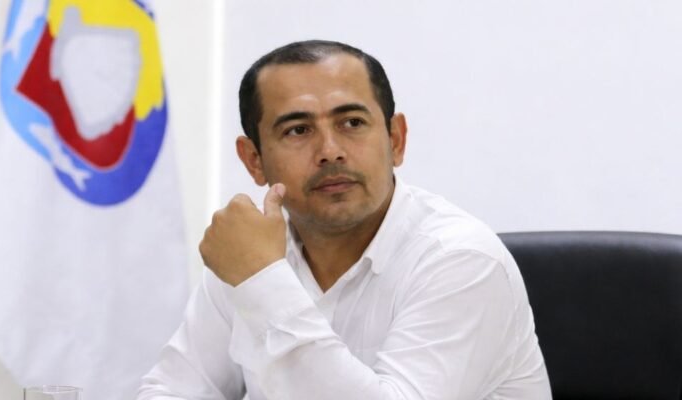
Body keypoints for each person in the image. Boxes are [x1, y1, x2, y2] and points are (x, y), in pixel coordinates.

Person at [137, 40, 551, 400]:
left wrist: (263, 283)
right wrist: (259, 275)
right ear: (254, 160)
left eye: (352, 123)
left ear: (395, 140)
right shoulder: (252, 253)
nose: (330, 151)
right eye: (298, 130)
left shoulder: (462, 260)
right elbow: (170, 390)